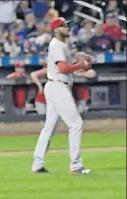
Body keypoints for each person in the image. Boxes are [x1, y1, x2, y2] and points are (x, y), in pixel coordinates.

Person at [31, 17, 91, 175]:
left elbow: (67, 65)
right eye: (64, 26)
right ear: (56, 29)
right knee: (76, 124)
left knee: (49, 129)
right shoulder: (56, 45)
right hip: (58, 86)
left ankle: (37, 164)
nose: (68, 28)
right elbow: (63, 68)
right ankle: (76, 165)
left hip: (55, 86)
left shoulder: (63, 45)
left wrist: (80, 59)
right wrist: (80, 65)